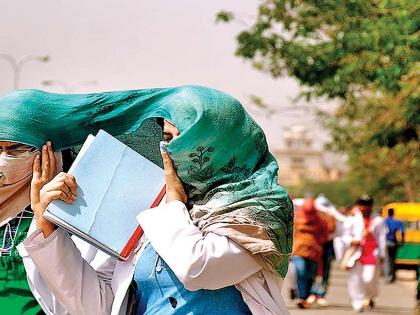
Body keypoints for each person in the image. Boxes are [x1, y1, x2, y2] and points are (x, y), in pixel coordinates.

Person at [0, 86, 294, 314]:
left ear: (221, 144)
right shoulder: (157, 210)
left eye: (185, 139)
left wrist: (174, 205)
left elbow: (199, 268)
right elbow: (98, 307)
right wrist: (49, 230)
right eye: (166, 136)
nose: (171, 149)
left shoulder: (260, 210)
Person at [344, 195, 386, 313]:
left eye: (367, 205)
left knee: (369, 279)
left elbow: (382, 238)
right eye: (362, 205)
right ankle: (357, 301)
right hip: (356, 254)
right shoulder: (351, 219)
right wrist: (352, 241)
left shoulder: (378, 220)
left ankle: (370, 296)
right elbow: (344, 236)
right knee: (355, 279)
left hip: (372, 254)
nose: (364, 208)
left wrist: (382, 254)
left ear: (371, 206)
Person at [290, 197, 328, 309]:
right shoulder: (296, 218)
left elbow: (324, 234)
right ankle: (302, 297)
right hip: (299, 250)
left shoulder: (320, 220)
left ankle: (307, 296)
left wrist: (318, 244)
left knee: (311, 275)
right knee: (301, 272)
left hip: (314, 252)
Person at [384, 207, 405, 282]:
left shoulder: (384, 221)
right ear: (393, 213)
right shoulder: (397, 221)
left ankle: (387, 277)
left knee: (387, 260)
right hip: (394, 242)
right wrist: (402, 240)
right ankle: (392, 276)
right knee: (393, 260)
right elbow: (402, 231)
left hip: (386, 241)